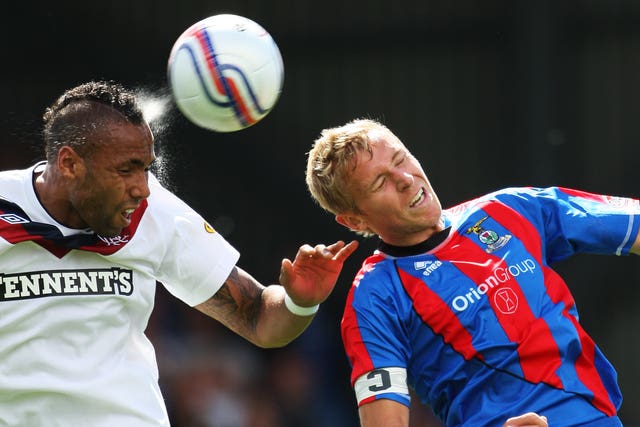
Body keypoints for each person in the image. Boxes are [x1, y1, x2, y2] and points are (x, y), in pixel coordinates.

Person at [0, 80, 359, 426]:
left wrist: (300, 301)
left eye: (145, 168)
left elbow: (260, 320)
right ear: (69, 164)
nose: (141, 188)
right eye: (126, 170)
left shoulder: (153, 212)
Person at [305, 118, 640, 427]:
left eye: (400, 159)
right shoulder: (375, 296)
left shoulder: (509, 209)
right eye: (381, 182)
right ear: (355, 221)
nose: (405, 180)